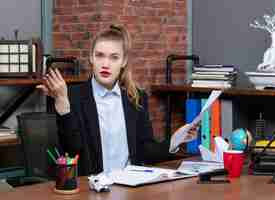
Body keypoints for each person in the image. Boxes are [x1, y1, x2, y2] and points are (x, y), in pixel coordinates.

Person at [37, 24, 197, 176]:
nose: (105, 64)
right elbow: (73, 152)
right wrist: (63, 105)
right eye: (99, 56)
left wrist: (175, 141)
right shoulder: (72, 96)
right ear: (91, 58)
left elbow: (145, 151)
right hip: (92, 189)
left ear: (123, 62)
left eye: (114, 58)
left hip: (129, 187)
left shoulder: (136, 98)